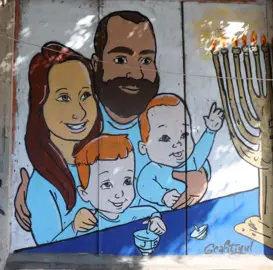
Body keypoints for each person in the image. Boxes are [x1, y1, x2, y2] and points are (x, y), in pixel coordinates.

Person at [14, 11, 211, 233]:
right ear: (96, 64)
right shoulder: (83, 124)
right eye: (120, 60)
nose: (135, 73)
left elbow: (186, 156)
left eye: (146, 60)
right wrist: (37, 196)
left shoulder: (160, 117)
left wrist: (202, 176)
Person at [21, 42, 103, 244]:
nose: (80, 112)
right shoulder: (43, 184)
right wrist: (74, 227)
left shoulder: (104, 160)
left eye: (85, 95)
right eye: (64, 97)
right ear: (40, 106)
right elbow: (45, 247)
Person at [136, 94, 224, 210]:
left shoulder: (191, 161)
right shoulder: (153, 170)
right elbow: (144, 187)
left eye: (184, 135)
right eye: (165, 138)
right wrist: (162, 196)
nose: (177, 143)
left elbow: (201, 151)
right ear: (143, 147)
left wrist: (210, 131)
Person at [71, 134, 166, 237]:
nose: (119, 194)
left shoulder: (130, 214)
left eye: (127, 181)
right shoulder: (87, 222)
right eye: (107, 184)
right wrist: (74, 227)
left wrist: (155, 219)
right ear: (84, 193)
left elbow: (151, 211)